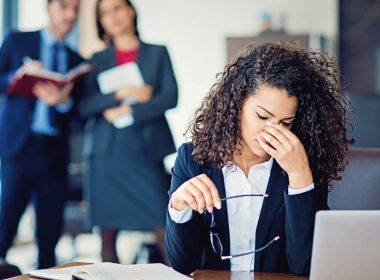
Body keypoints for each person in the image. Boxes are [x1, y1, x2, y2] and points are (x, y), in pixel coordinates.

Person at [165, 42, 351, 275]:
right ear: (237, 103)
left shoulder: (303, 164)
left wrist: (299, 177)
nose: (272, 132)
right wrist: (180, 206)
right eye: (263, 116)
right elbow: (182, 265)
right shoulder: (192, 159)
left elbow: (304, 266)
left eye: (285, 123)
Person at [78, 0, 177, 264]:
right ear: (100, 22)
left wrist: (130, 112)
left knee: (162, 223)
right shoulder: (97, 60)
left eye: (118, 8)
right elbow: (84, 105)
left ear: (131, 10)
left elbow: (170, 97)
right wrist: (120, 95)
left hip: (145, 150)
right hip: (106, 154)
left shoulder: (157, 53)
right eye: (105, 13)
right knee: (107, 233)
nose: (113, 16)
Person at [0, 0, 83, 269]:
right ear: (49, 7)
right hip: (19, 147)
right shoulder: (17, 41)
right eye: (64, 6)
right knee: (7, 220)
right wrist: (17, 75)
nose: (70, 14)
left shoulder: (75, 60)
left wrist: (64, 101)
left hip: (54, 151)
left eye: (75, 9)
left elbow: (80, 115)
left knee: (50, 230)